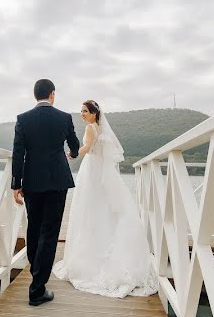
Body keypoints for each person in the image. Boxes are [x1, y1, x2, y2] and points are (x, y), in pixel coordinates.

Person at [52, 100, 157, 298]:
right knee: (102, 209)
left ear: (93, 113)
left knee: (89, 209)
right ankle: (103, 247)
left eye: (85, 111)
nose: (81, 114)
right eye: (81, 111)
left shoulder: (91, 128)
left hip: (92, 170)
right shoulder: (101, 128)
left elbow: (86, 148)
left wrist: (70, 155)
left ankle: (92, 254)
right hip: (101, 169)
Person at [11, 78, 80, 306]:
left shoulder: (23, 119)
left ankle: (36, 273)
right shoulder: (64, 118)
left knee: (34, 228)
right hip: (57, 180)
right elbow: (75, 145)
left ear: (35, 95)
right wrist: (72, 153)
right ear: (52, 94)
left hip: (31, 181)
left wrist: (16, 184)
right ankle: (37, 289)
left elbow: (18, 152)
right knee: (49, 233)